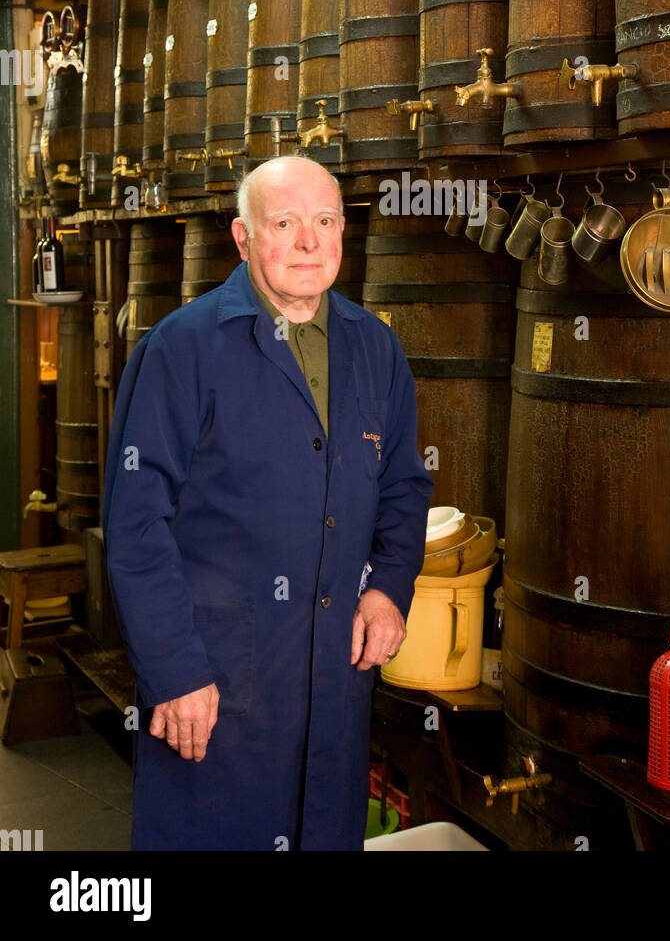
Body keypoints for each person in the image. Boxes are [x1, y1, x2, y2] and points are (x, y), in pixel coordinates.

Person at [103, 156, 432, 850]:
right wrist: (175, 671)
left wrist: (390, 589)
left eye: (325, 222)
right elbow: (136, 524)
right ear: (243, 238)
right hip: (215, 686)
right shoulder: (181, 349)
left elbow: (404, 485)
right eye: (284, 223)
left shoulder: (375, 347)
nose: (309, 242)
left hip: (332, 683)